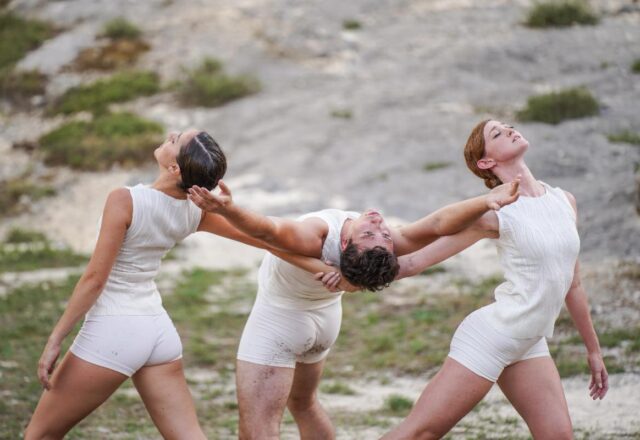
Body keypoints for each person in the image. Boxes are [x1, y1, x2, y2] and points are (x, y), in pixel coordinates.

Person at [186, 178, 520, 440]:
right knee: (304, 404)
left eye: (374, 233)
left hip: (280, 323)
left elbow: (267, 230)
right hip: (325, 324)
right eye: (381, 234)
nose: (380, 226)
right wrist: (485, 202)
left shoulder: (316, 237)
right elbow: (435, 225)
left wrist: (229, 210)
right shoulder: (380, 249)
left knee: (258, 432)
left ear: (345, 245)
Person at [24, 129, 276, 440]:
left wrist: (55, 339)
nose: (170, 135)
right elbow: (266, 237)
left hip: (115, 328)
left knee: (39, 435)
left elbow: (94, 280)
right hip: (157, 332)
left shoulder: (124, 200)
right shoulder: (197, 211)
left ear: (175, 169)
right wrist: (327, 263)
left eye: (176, 140)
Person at [378, 120, 608, 440]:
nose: (511, 130)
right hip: (493, 336)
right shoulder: (494, 214)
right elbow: (414, 263)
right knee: (422, 433)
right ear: (486, 162)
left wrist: (593, 351)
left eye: (509, 126)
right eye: (497, 134)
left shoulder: (563, 200)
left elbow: (574, 283)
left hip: (529, 342)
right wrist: (344, 275)